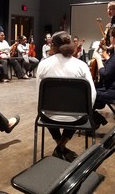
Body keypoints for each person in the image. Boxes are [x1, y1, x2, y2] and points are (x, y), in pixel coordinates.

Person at [36, 31, 96, 162]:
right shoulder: (81, 65)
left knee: (47, 111)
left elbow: (39, 96)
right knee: (77, 113)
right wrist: (85, 111)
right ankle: (61, 147)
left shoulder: (43, 64)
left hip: (49, 117)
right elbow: (92, 94)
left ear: (52, 46)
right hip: (77, 118)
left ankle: (59, 147)